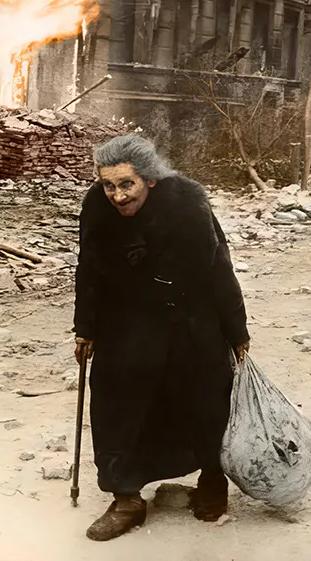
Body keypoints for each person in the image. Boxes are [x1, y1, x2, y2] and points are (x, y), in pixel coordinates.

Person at [73, 135, 250, 542]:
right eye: (108, 185)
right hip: (126, 321)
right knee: (116, 401)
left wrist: (236, 331)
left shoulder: (186, 201)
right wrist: (86, 327)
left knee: (203, 398)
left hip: (189, 317)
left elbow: (219, 268)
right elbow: (89, 267)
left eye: (126, 185)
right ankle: (126, 498)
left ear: (150, 180)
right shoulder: (96, 206)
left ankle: (211, 482)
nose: (117, 196)